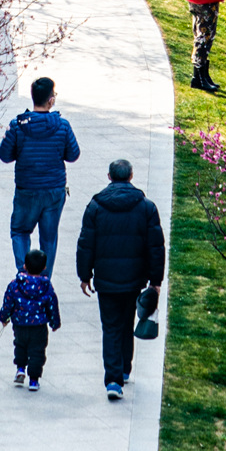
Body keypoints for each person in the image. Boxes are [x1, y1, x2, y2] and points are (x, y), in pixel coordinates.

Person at [76, 159, 165, 401]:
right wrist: (155, 281)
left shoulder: (95, 207)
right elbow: (156, 247)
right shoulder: (146, 208)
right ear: (131, 176)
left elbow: (86, 244)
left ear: (109, 176)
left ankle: (113, 380)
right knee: (126, 323)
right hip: (134, 279)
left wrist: (85, 275)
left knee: (111, 327)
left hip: (106, 280)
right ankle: (125, 369)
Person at [0, 77, 80, 276]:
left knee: (20, 231)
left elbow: (4, 156)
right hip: (54, 190)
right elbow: (73, 155)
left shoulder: (17, 126)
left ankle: (24, 274)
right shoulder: (62, 125)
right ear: (51, 100)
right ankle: (44, 280)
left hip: (27, 189)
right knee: (49, 238)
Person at [0, 248, 61, 392]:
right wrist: (54, 322)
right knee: (37, 351)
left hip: (20, 324)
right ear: (44, 267)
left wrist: (4, 317)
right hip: (39, 326)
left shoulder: (15, 284)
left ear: (25, 266)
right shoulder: (46, 286)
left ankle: (20, 368)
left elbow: (8, 302)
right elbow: (53, 304)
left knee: (20, 346)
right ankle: (33, 380)